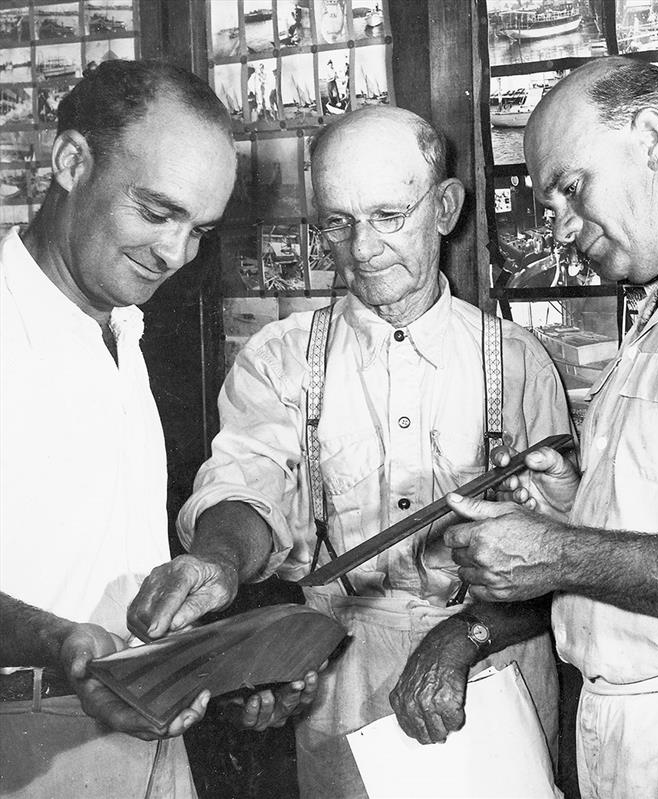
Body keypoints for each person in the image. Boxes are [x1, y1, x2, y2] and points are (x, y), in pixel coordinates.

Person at [128, 105, 574, 799]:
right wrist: (217, 561)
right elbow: (249, 483)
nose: (362, 248)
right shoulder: (280, 358)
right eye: (338, 221)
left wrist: (466, 634)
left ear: (446, 207)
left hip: (493, 669)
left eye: (389, 216)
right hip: (336, 674)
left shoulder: (516, 363)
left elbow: (566, 558)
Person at [422, 57, 658, 799]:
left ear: (652, 136)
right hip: (640, 725)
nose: (556, 224)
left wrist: (560, 551)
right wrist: (577, 505)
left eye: (569, 186)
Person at [0, 59, 314, 799]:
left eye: (198, 228)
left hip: (148, 733)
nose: (175, 255)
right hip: (25, 745)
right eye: (156, 211)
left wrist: (215, 668)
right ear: (72, 161)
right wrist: (62, 645)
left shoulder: (124, 322)